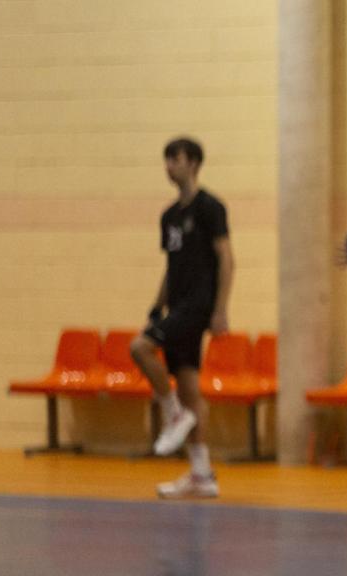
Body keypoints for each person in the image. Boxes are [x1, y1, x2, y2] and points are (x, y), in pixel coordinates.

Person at [130, 137, 234, 499]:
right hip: (176, 306)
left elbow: (226, 258)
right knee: (190, 389)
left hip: (198, 305)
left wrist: (220, 309)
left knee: (139, 348)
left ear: (192, 163)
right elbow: (171, 267)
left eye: (174, 159)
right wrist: (156, 306)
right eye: (166, 160)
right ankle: (202, 475)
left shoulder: (210, 207)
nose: (168, 166)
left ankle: (172, 414)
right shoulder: (169, 216)